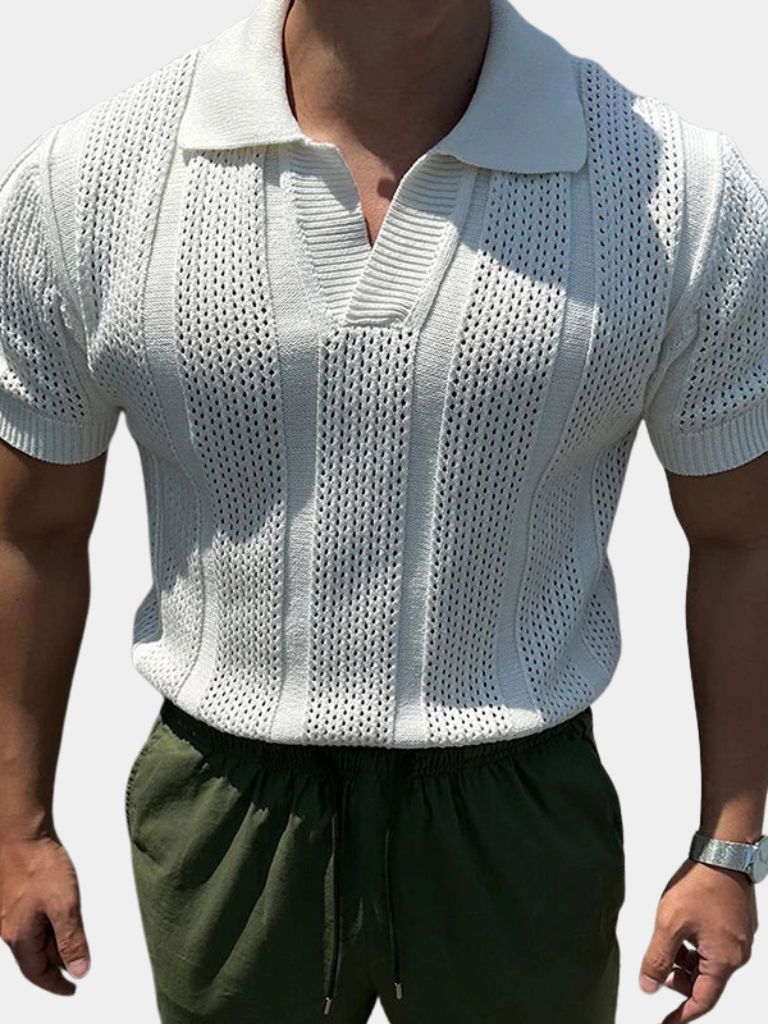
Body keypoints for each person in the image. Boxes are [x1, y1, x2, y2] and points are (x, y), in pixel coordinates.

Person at [0, 0, 766, 1020]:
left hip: (520, 811)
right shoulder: (91, 183)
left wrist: (729, 844)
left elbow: (742, 536)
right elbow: (31, 527)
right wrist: (15, 822)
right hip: (226, 804)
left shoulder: (680, 197)